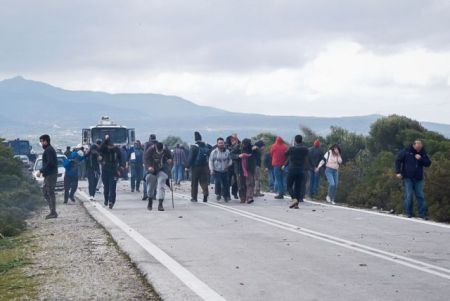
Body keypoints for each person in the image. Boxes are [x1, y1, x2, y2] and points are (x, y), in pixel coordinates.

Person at [395, 140, 432, 219]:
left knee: (420, 196)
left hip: (418, 178)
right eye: (417, 148)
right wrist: (398, 172)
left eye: (420, 148)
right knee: (409, 195)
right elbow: (398, 160)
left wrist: (421, 159)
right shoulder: (406, 151)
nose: (419, 149)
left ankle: (422, 214)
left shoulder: (422, 152)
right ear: (414, 145)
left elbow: (428, 163)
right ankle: (409, 213)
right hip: (408, 177)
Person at [144, 142, 173, 211]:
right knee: (150, 187)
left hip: (162, 170)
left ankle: (160, 204)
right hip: (152, 170)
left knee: (161, 185)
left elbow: (171, 157)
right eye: (158, 151)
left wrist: (170, 160)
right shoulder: (150, 150)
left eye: (161, 151)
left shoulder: (166, 149)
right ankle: (150, 201)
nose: (160, 152)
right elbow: (145, 159)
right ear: (155, 148)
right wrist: (149, 167)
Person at [99, 136, 124, 209]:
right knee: (106, 187)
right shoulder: (103, 149)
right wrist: (106, 140)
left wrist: (120, 168)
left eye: (111, 146)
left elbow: (121, 159)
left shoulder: (116, 150)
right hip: (105, 170)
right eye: (108, 146)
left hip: (114, 170)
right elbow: (99, 155)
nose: (110, 147)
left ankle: (111, 202)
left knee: (112, 187)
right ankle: (106, 199)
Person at [285, 135, 309, 209]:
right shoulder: (305, 149)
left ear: (295, 141)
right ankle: (296, 204)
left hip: (292, 169)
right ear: (301, 140)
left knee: (289, 186)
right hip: (301, 170)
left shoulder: (292, 149)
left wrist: (291, 147)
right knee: (297, 187)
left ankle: (294, 199)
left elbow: (285, 154)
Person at [37, 134, 58, 219]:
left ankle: (53, 212)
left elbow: (50, 163)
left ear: (45, 141)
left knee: (50, 193)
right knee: (45, 193)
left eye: (42, 141)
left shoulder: (49, 150)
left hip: (51, 175)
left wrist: (41, 170)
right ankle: (52, 211)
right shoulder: (48, 149)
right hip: (48, 175)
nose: (41, 143)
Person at [187, 131, 210, 203]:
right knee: (204, 181)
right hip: (204, 166)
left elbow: (190, 158)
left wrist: (187, 166)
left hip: (195, 167)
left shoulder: (193, 147)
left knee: (194, 182)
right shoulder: (206, 145)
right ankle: (205, 194)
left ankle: (194, 197)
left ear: (195, 139)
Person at [209, 137, 232, 202]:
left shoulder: (227, 151)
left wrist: (228, 165)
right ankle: (218, 194)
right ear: (217, 144)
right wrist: (211, 169)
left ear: (224, 143)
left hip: (225, 170)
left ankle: (226, 196)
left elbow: (230, 160)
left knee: (225, 184)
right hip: (216, 170)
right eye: (219, 143)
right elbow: (210, 161)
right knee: (218, 182)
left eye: (222, 143)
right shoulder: (214, 152)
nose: (221, 144)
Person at [236, 139, 259, 204]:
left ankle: (249, 197)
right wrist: (238, 156)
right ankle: (243, 198)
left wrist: (256, 149)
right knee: (241, 185)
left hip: (250, 169)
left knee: (250, 183)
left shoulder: (252, 148)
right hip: (240, 169)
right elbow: (231, 154)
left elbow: (258, 155)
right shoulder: (238, 148)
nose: (245, 145)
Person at [142, 134, 158, 200]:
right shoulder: (158, 144)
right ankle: (154, 194)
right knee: (155, 179)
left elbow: (145, 154)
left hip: (148, 164)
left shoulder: (147, 144)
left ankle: (145, 194)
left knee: (145, 180)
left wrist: (144, 163)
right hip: (156, 164)